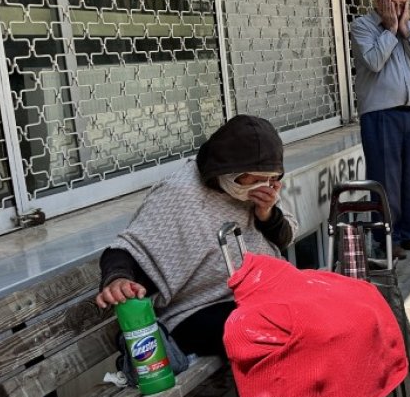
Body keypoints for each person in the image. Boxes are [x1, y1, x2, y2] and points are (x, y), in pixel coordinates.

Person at [95, 115, 298, 358]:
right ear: (229, 171)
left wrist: (267, 214)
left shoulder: (264, 188)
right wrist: (117, 278)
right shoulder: (179, 193)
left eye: (272, 178)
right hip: (198, 309)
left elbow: (284, 239)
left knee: (319, 305)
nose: (263, 185)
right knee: (275, 329)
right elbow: (128, 249)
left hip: (260, 293)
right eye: (254, 179)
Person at [350, 0, 410, 259]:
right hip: (380, 113)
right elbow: (374, 62)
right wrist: (389, 30)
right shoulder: (362, 26)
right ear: (378, 0)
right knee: (386, 179)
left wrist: (406, 31)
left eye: (402, 4)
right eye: (392, 3)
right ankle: (387, 239)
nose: (397, 10)